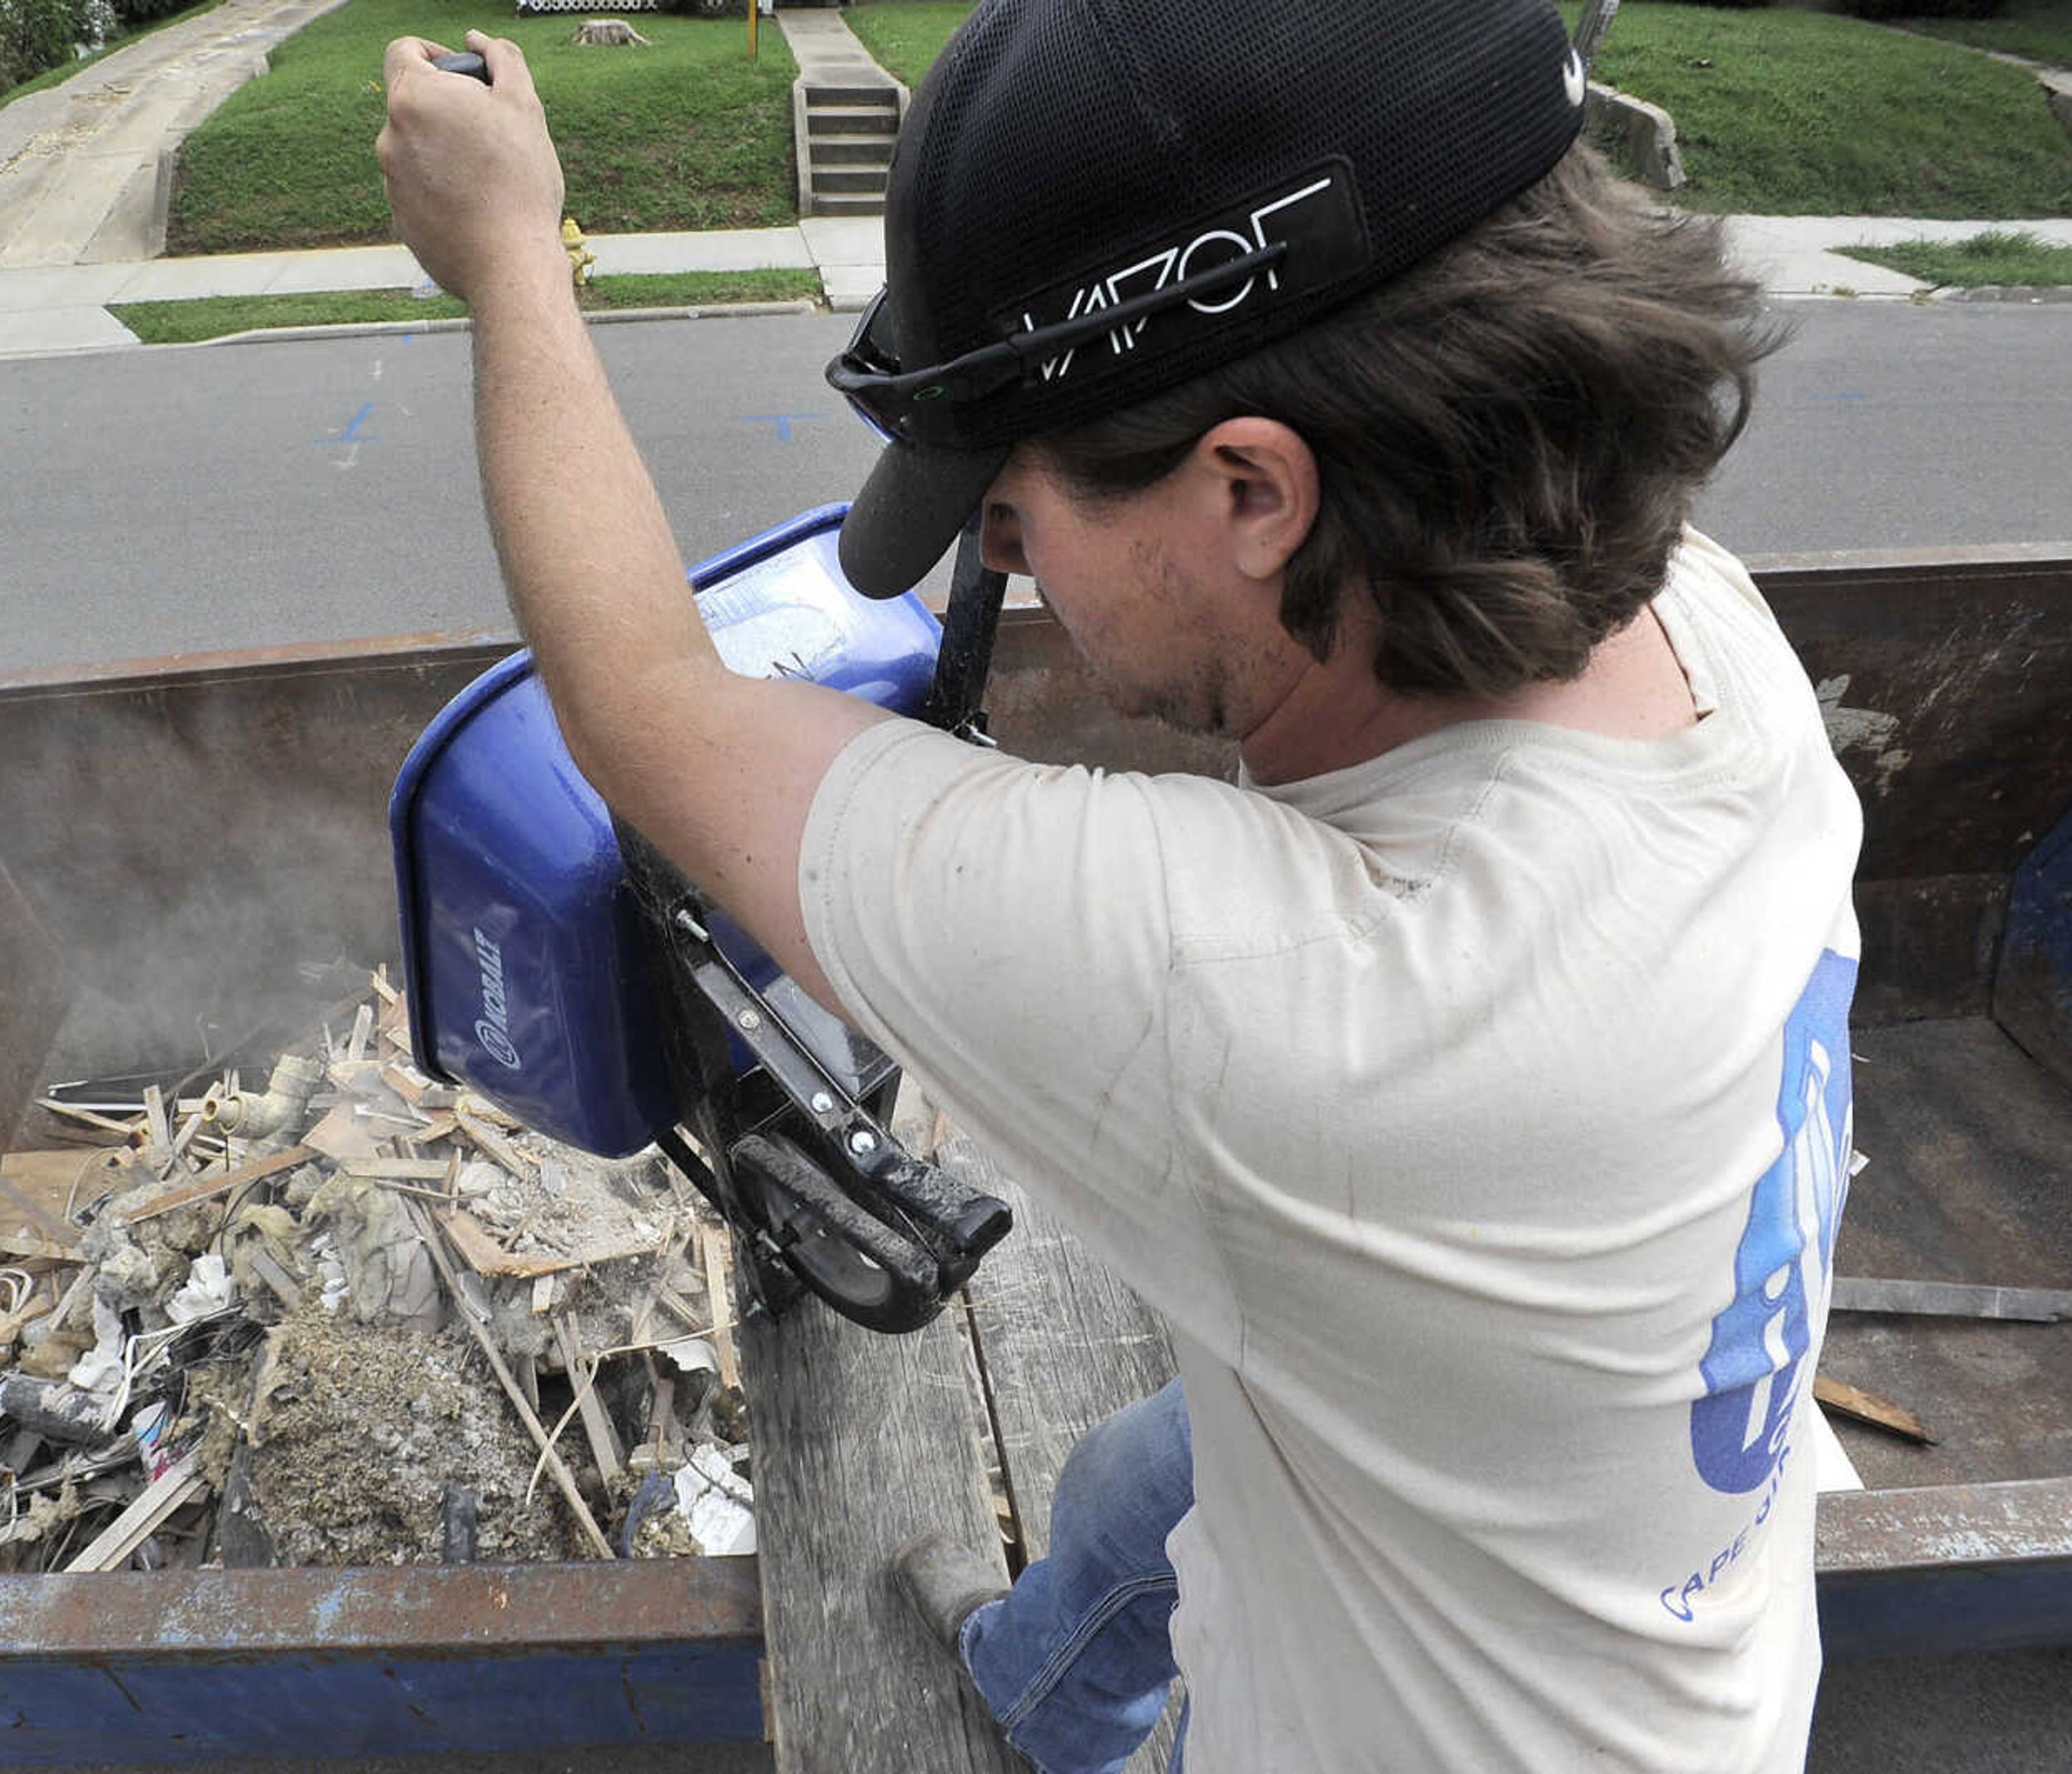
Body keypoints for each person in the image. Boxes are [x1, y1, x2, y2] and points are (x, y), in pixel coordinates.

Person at [377, 2, 1863, 1769]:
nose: (995, 552)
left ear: (1254, 489)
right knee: (1152, 1471)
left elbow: (644, 713)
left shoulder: (1285, 1004)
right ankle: (1047, 1683)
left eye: (1010, 502)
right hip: (1666, 1608)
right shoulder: (1706, 625)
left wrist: (507, 257)